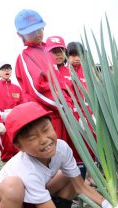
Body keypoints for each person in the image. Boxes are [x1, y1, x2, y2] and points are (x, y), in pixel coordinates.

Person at [14, 9, 73, 141]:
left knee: (62, 152)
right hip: (45, 116)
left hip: (60, 112)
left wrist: (68, 102)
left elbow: (59, 81)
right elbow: (37, 89)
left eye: (40, 28)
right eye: (31, 31)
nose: (38, 33)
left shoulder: (47, 52)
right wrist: (64, 105)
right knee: (50, 154)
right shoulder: (25, 55)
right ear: (20, 34)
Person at [46, 35, 88, 177]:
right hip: (53, 118)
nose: (58, 55)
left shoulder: (70, 71)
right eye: (54, 51)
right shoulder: (47, 70)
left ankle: (78, 176)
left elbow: (75, 95)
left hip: (71, 116)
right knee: (54, 148)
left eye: (61, 51)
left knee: (74, 145)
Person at [0, 62, 25, 162]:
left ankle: (21, 167)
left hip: (16, 121)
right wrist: (0, 119)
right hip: (2, 122)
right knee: (6, 147)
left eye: (8, 68)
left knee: (18, 144)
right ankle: (7, 169)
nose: (7, 71)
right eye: (3, 69)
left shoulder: (17, 88)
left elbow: (22, 104)